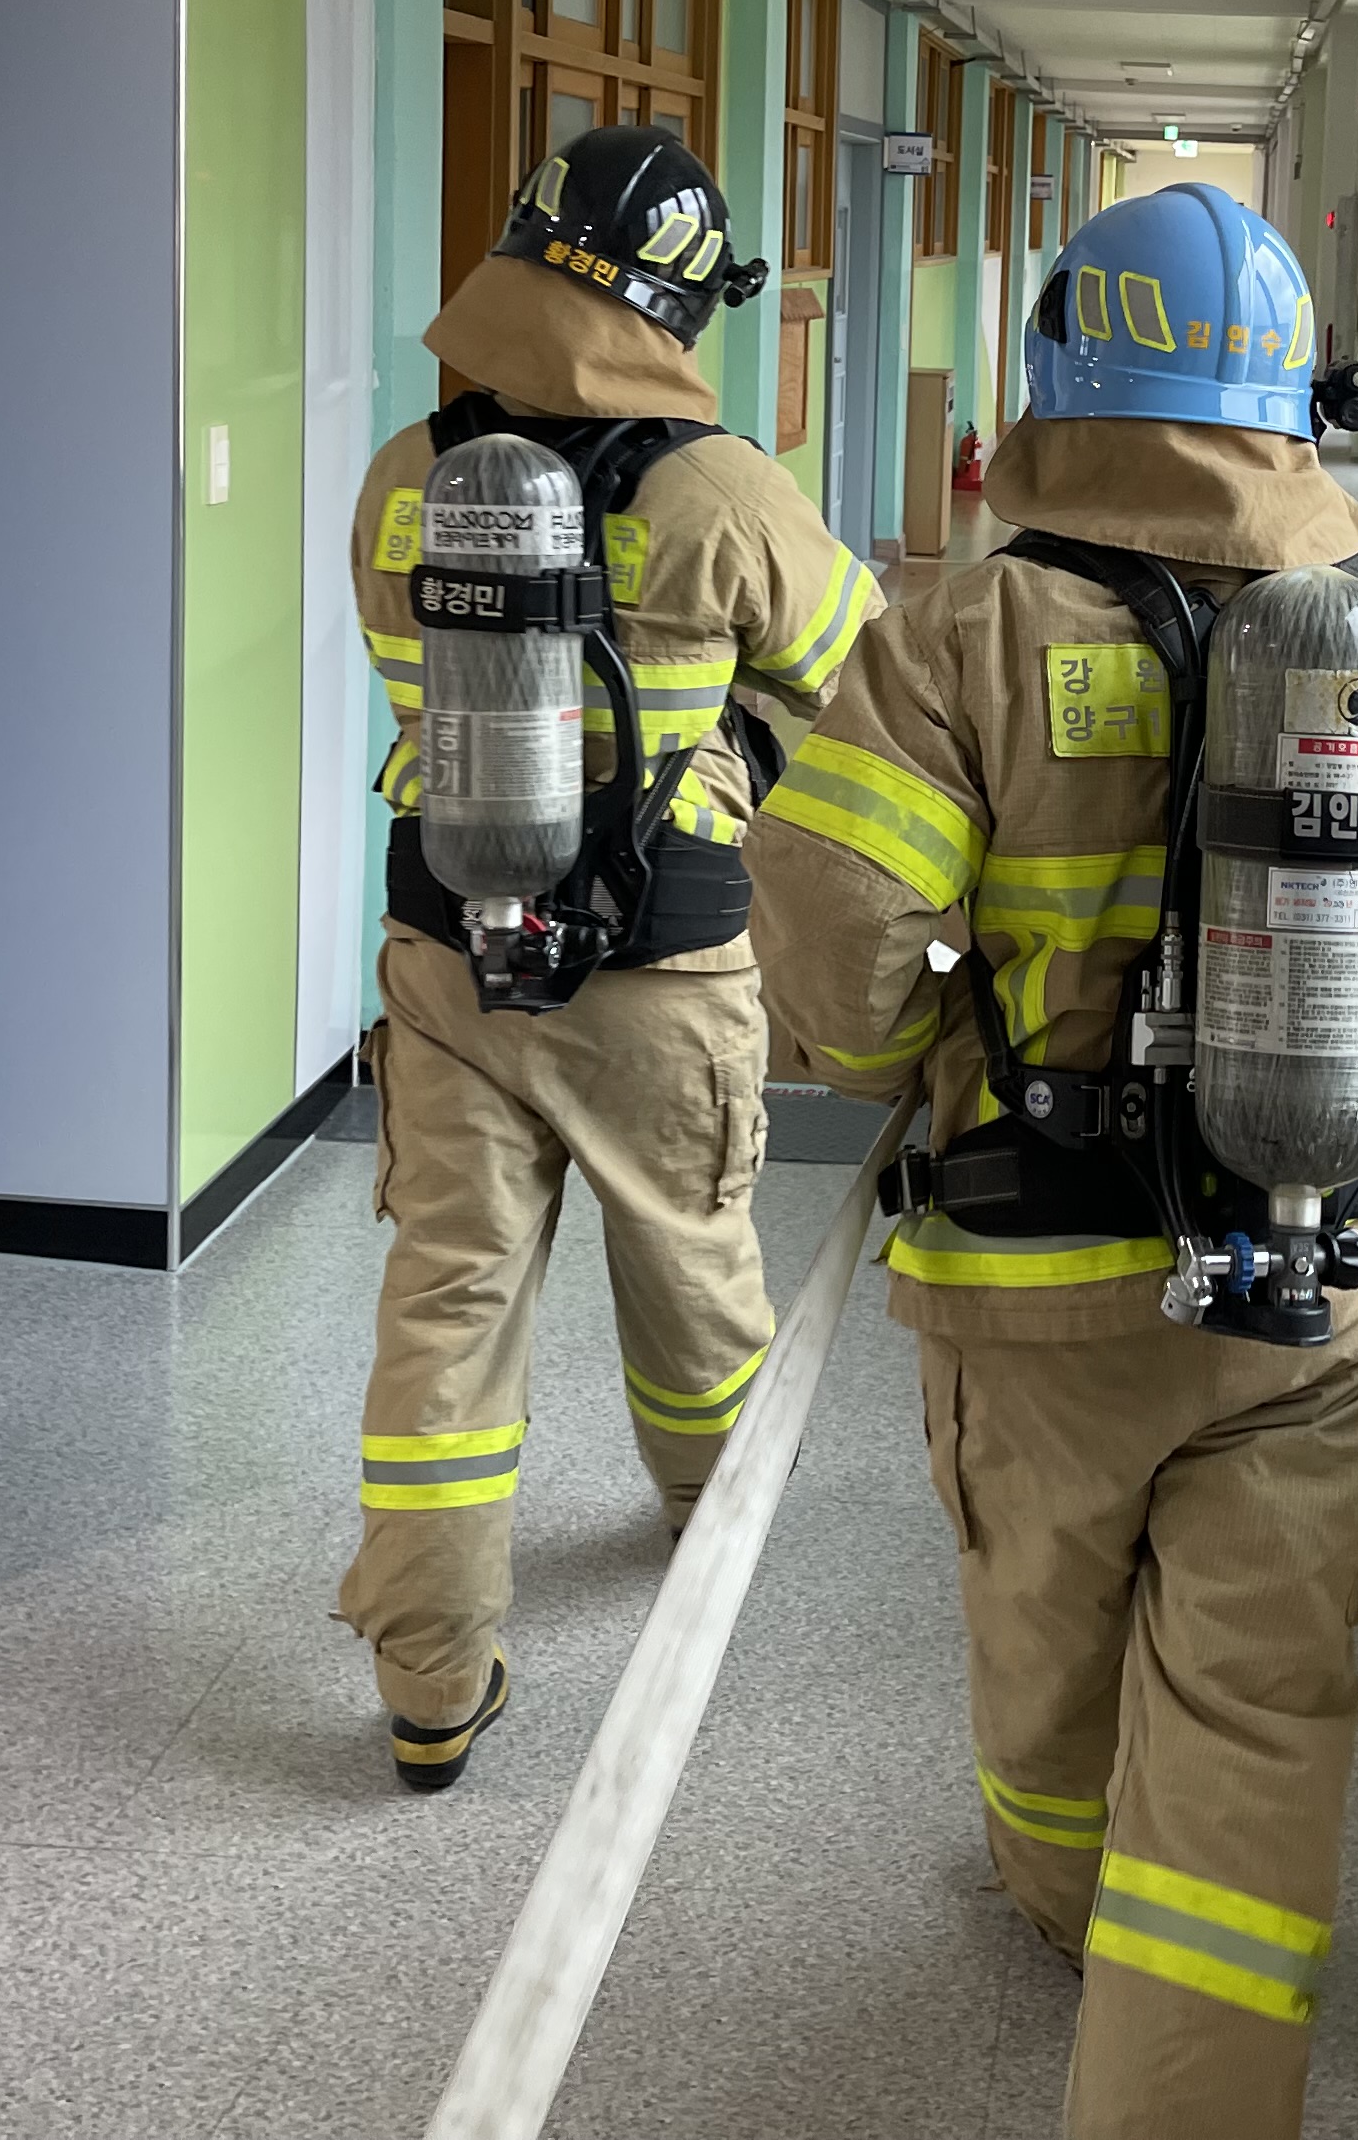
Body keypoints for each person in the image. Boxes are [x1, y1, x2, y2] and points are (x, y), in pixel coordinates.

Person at [751, 182, 1358, 2136]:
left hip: (1039, 1297)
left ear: (1059, 381)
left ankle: (1066, 1909)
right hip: (1320, 1284)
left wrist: (937, 1039)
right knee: (1256, 1720)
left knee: (1045, 1671)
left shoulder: (959, 638)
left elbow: (843, 964)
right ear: (1288, 406)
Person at [341, 122, 881, 1791]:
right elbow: (862, 673)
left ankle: (429, 1675)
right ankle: (708, 1545)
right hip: (662, 965)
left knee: (448, 1302)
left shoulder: (408, 472)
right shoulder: (723, 490)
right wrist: (739, 745)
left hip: (448, 949)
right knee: (693, 1271)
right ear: (679, 306)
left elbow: (407, 681)